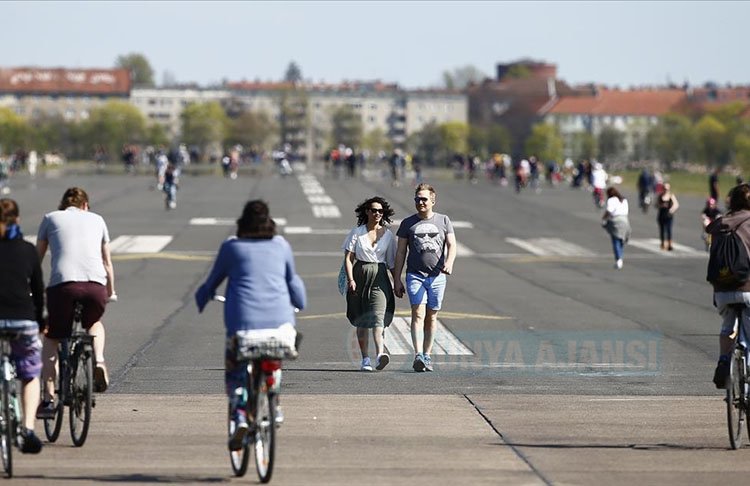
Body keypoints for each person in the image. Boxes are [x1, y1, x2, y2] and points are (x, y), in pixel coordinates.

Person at [195, 200, 306, 451]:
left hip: (243, 326)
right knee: (273, 357)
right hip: (280, 325)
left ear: (242, 223)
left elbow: (212, 281)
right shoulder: (281, 245)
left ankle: (240, 416)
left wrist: (202, 298)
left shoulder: (232, 248)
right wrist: (300, 302)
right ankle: (274, 401)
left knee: (236, 371)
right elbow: (294, 283)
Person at [35, 187, 116, 418]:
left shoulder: (50, 218)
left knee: (52, 337)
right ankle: (99, 360)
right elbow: (107, 262)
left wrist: (33, 289)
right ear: (85, 205)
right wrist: (111, 291)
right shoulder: (97, 219)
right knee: (94, 322)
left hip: (63, 286)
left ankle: (49, 399)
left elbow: (36, 259)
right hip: (95, 285)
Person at [393, 183, 457, 372]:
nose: (420, 202)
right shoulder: (407, 223)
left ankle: (427, 355)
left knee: (432, 315)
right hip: (415, 275)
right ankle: (418, 354)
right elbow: (400, 252)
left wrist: (450, 262)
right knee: (418, 313)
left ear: (433, 201)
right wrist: (396, 279)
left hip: (437, 277)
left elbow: (452, 245)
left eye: (424, 199)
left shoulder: (444, 220)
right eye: (417, 199)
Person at [0, 199, 44, 453]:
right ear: (17, 219)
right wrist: (41, 321)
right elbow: (38, 291)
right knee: (29, 374)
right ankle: (27, 429)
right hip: (23, 319)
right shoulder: (27, 250)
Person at [342, 197, 397, 371]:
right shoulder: (357, 232)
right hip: (360, 275)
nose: (378, 214)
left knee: (377, 317)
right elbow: (348, 258)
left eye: (381, 211)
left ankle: (380, 354)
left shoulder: (388, 235)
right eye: (374, 210)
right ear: (367, 212)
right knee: (362, 320)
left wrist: (397, 282)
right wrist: (351, 279)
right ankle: (365, 359)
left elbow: (391, 263)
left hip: (380, 277)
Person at [708, 183, 750, 388]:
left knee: (728, 326)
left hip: (722, 290)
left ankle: (724, 359)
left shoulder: (720, 224)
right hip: (748, 290)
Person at [601, 187, 631, 270]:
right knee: (621, 240)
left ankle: (619, 259)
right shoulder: (624, 200)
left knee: (615, 241)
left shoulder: (611, 200)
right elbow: (626, 211)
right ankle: (620, 256)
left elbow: (609, 211)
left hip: (616, 221)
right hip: (625, 220)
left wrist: (604, 218)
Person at [656, 182, 680, 250]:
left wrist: (671, 210)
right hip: (661, 215)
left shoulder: (671, 196)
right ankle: (663, 243)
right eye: (664, 188)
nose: (666, 190)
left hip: (669, 216)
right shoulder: (660, 196)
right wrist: (661, 205)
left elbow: (676, 204)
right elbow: (656, 204)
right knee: (662, 230)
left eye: (667, 189)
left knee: (669, 230)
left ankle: (669, 244)